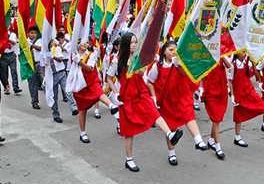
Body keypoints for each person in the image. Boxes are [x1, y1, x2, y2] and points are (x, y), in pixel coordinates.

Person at [106, 33, 183, 172]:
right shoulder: (117, 60)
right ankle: (129, 160)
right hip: (126, 97)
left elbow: (141, 74)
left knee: (154, 112)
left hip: (141, 92)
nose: (134, 45)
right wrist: (116, 94)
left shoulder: (138, 58)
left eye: (136, 42)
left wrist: (142, 63)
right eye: (131, 43)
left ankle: (170, 135)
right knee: (128, 131)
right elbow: (109, 78)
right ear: (125, 44)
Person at [70, 38, 119, 143]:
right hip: (80, 86)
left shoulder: (92, 54)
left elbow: (89, 68)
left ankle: (111, 106)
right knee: (82, 110)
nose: (84, 44)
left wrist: (79, 62)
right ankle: (82, 133)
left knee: (99, 92)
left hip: (92, 81)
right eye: (82, 42)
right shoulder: (72, 55)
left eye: (87, 43)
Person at [49, 33, 78, 123]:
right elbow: (44, 66)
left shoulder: (56, 48)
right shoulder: (45, 52)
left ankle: (74, 107)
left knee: (67, 90)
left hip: (61, 73)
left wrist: (52, 57)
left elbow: (60, 59)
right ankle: (56, 114)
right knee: (54, 96)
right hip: (52, 75)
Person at [27, 26, 43, 109]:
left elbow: (40, 48)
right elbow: (20, 54)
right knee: (32, 84)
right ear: (28, 34)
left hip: (39, 63)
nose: (33, 35)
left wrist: (32, 45)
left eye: (35, 33)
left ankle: (51, 98)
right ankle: (34, 101)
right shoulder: (25, 41)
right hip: (30, 65)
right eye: (31, 33)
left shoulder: (39, 40)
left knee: (45, 80)